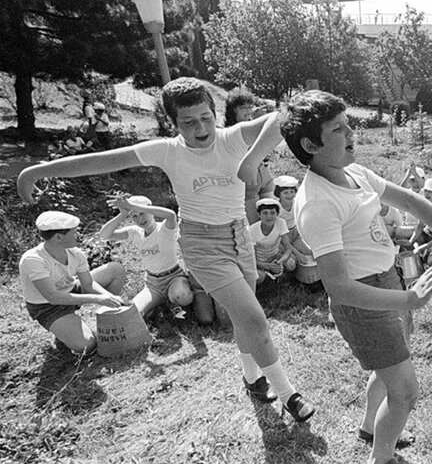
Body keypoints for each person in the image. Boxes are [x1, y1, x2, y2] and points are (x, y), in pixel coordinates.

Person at [17, 77, 312, 417]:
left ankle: (251, 377)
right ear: (174, 124)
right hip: (202, 244)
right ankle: (289, 394)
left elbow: (284, 116)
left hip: (239, 237)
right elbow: (101, 161)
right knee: (255, 319)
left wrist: (252, 160)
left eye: (205, 117)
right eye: (188, 122)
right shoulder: (167, 150)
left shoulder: (232, 138)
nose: (200, 127)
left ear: (214, 113)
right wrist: (37, 172)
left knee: (243, 316)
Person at [277, 90, 432, 464]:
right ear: (310, 145)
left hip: (387, 281)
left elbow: (410, 200)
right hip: (364, 301)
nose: (353, 131)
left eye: (348, 122)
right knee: (404, 391)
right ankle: (380, 463)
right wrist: (409, 298)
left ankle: (373, 428)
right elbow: (339, 287)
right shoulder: (318, 204)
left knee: (389, 371)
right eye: (339, 128)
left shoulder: (355, 174)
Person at [19, 211, 126, 355]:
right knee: (87, 345)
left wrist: (109, 297)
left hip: (70, 289)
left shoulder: (75, 253)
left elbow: (88, 284)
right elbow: (53, 297)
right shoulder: (33, 260)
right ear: (58, 237)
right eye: (74, 232)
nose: (79, 235)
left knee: (115, 269)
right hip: (47, 307)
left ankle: (110, 316)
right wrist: (97, 298)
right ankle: (63, 329)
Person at [97, 194, 196, 319]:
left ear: (151, 211)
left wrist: (133, 206)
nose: (140, 219)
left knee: (182, 296)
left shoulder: (165, 228)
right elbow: (104, 235)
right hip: (153, 284)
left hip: (173, 277)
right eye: (134, 216)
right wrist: (122, 214)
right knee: (133, 313)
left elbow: (171, 215)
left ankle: (182, 300)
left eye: (142, 213)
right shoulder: (134, 232)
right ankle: (157, 303)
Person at [225, 90, 276, 224]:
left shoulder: (255, 125)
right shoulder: (230, 131)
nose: (248, 111)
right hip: (249, 183)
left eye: (249, 107)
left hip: (265, 175)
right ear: (233, 110)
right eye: (243, 107)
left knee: (272, 221)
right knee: (256, 224)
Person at [247, 197, 296, 284]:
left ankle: (277, 274)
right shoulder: (252, 230)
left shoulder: (281, 223)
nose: (269, 217)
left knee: (291, 264)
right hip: (259, 260)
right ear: (259, 214)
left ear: (277, 214)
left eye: (272, 213)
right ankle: (266, 276)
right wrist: (267, 266)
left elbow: (288, 249)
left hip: (275, 256)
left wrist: (280, 262)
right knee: (259, 277)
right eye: (265, 213)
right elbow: (252, 258)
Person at [272, 174, 313, 264]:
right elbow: (282, 237)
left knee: (310, 252)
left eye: (292, 192)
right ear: (279, 194)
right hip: (281, 238)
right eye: (285, 192)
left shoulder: (296, 203)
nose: (289, 195)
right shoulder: (277, 209)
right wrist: (298, 254)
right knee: (291, 261)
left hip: (295, 233)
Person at [395, 166, 425, 242]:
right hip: (409, 228)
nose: (416, 183)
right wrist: (408, 175)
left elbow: (422, 185)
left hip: (422, 230)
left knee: (396, 231)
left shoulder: (425, 193)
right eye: (412, 180)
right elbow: (400, 190)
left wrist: (414, 173)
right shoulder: (408, 193)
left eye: (418, 179)